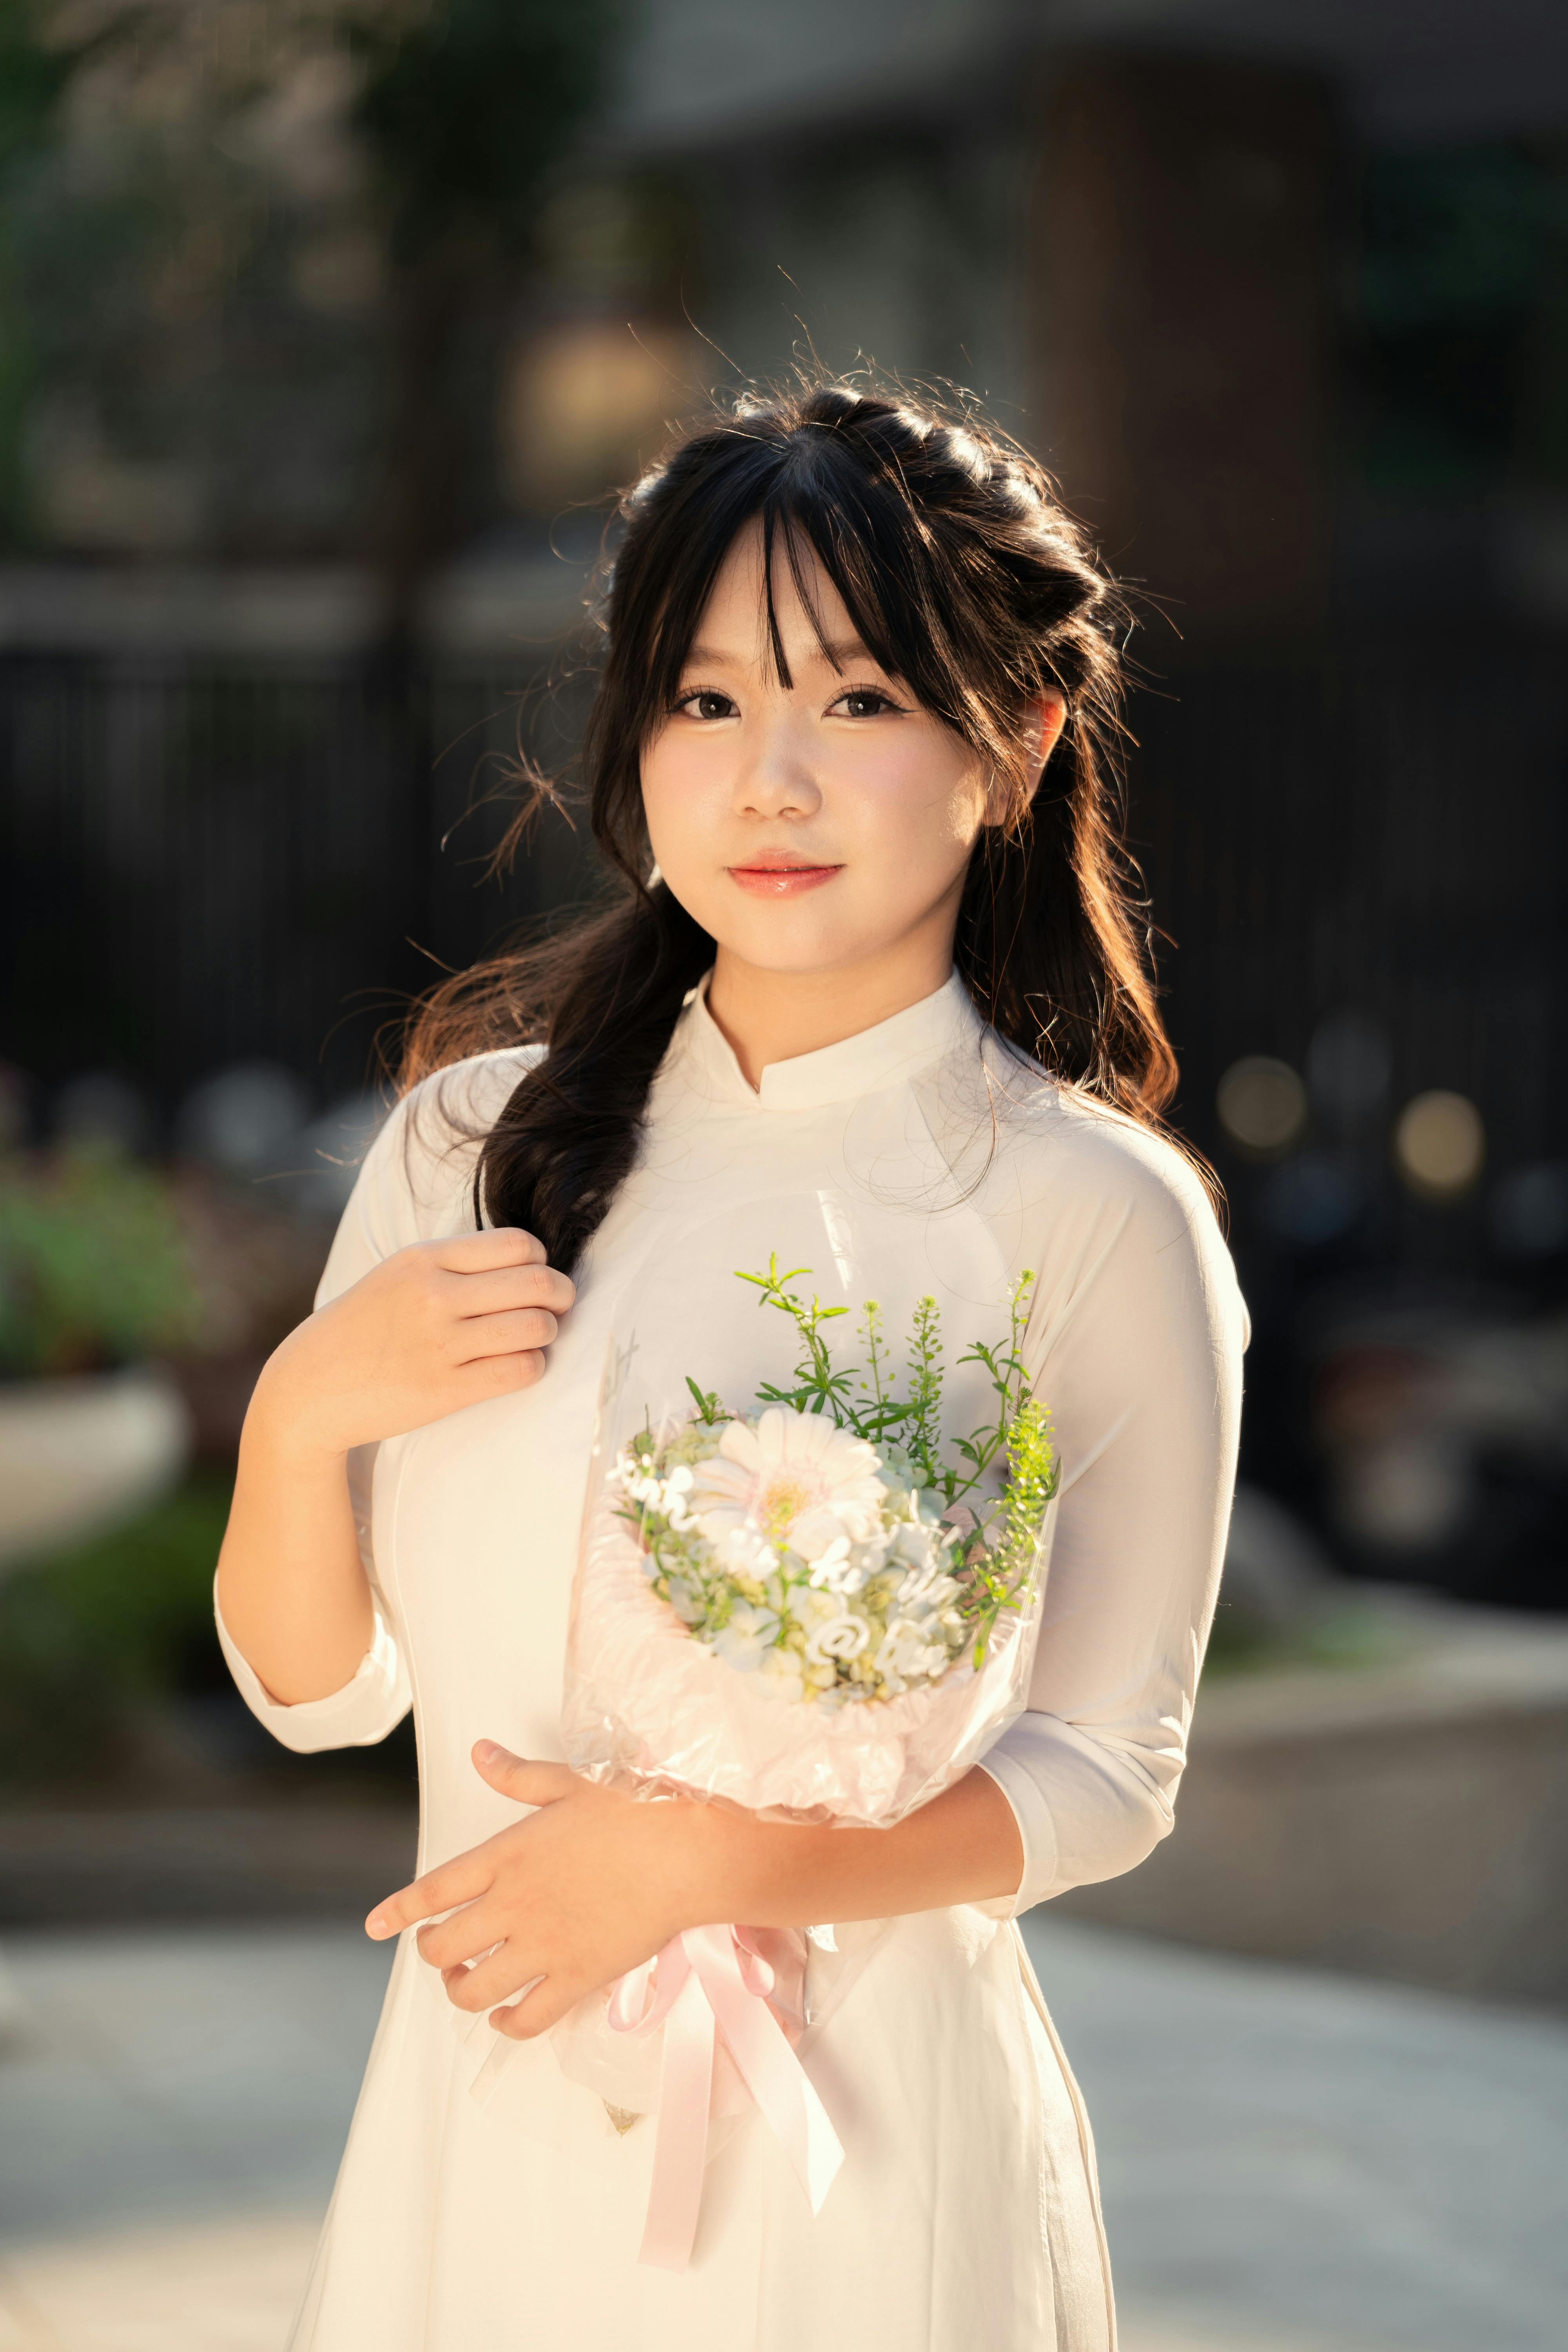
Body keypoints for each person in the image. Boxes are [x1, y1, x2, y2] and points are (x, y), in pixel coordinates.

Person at [215, 381, 1247, 2352]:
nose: (769, 781)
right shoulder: (473, 1152)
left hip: (865, 2148)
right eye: (706, 700)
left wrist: (708, 1864)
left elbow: (1111, 1770)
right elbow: (319, 1694)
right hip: (484, 2114)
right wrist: (297, 1413)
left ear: (1015, 744)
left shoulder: (1090, 1210)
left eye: (856, 700)